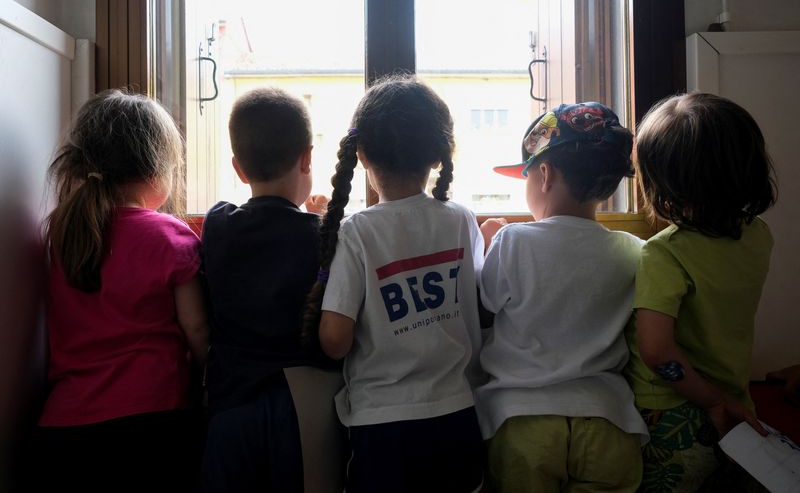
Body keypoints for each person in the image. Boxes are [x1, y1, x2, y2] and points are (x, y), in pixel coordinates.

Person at [303, 74, 486, 493]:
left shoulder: (358, 232)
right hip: (458, 414)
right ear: (438, 154)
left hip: (382, 425)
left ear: (362, 154)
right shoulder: (460, 220)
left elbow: (334, 338)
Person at [35, 90, 209, 493]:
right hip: (148, 425)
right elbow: (197, 330)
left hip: (63, 427)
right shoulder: (169, 235)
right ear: (156, 172)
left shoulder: (64, 229)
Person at [474, 103, 649, 492]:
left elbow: (487, 302)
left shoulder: (513, 240)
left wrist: (487, 246)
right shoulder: (633, 250)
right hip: (608, 421)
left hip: (523, 422)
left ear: (545, 174)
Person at [625, 92, 778, 491]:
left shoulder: (664, 254)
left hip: (673, 412)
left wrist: (710, 402)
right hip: (736, 397)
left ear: (661, 182)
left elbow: (656, 351)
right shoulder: (759, 235)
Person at [199, 87, 339, 492]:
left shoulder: (218, 223)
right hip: (304, 408)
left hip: (231, 403)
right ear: (307, 157)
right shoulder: (323, 237)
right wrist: (321, 218)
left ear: (238, 169)